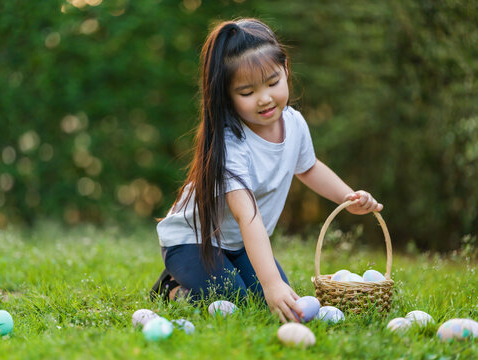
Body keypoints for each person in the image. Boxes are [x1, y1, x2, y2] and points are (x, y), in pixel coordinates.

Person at [150, 18, 383, 323]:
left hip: (237, 245)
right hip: (194, 243)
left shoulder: (295, 124)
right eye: (246, 92)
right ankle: (173, 287)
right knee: (237, 302)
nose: (264, 99)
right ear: (227, 95)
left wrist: (348, 198)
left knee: (270, 303)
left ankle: (220, 277)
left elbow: (309, 167)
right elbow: (248, 218)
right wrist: (272, 284)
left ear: (285, 68)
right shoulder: (231, 145)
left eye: (272, 83)